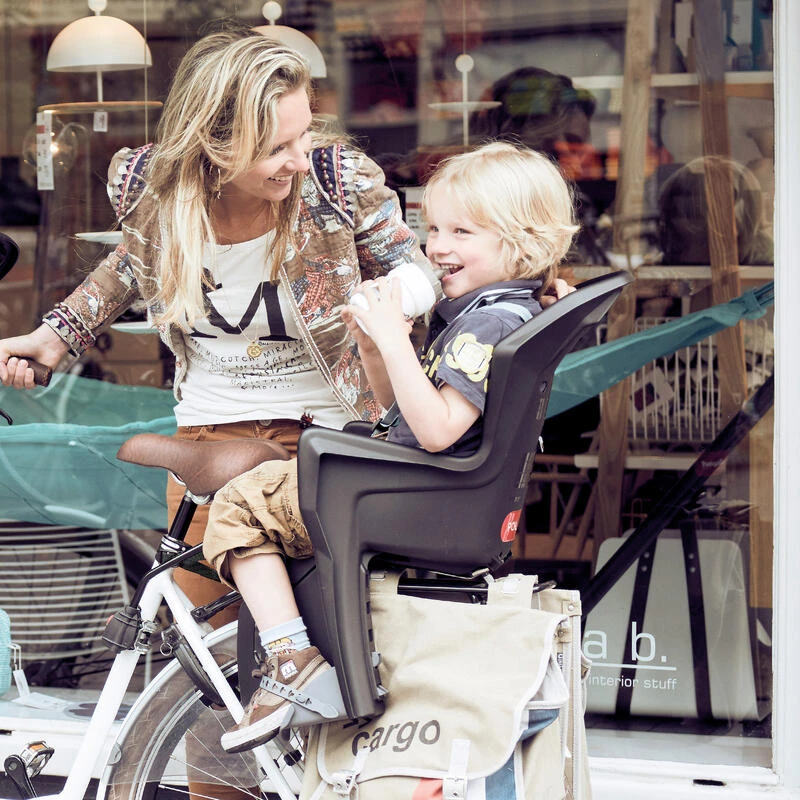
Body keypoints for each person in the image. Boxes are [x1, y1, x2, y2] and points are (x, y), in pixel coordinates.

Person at [0, 24, 437, 634]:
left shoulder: (336, 183)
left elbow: (418, 271)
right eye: (276, 146)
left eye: (304, 133)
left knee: (324, 637)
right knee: (213, 649)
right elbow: (132, 261)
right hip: (207, 437)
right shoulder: (153, 190)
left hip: (326, 434)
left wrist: (384, 304)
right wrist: (54, 338)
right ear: (213, 140)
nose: (298, 158)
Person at [202, 140, 580, 754]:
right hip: (419, 489)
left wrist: (395, 341)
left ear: (522, 240)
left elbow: (436, 430)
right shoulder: (496, 311)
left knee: (239, 504)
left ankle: (292, 658)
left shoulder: (489, 324)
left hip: (413, 497)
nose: (436, 247)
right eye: (433, 228)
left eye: (462, 231)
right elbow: (402, 410)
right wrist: (380, 347)